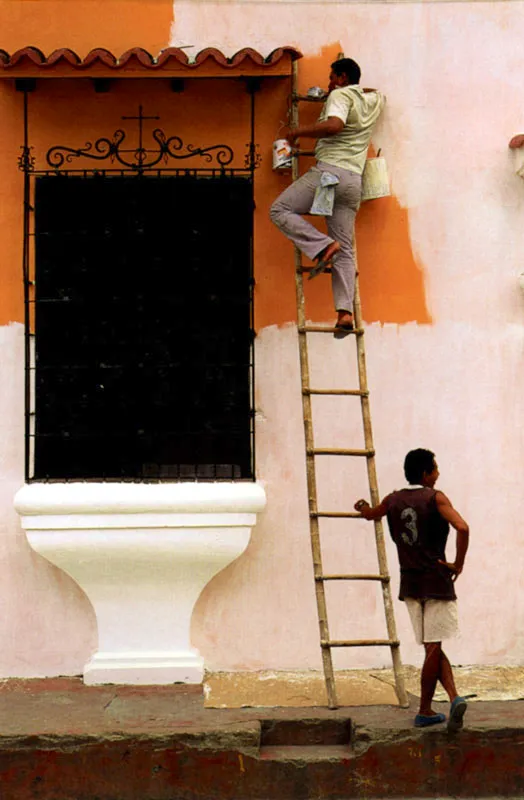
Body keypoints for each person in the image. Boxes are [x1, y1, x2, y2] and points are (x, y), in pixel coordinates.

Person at [354, 448, 470, 731]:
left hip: (410, 583)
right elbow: (462, 528)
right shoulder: (435, 498)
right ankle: (425, 710)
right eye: (435, 468)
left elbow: (372, 514)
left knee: (432, 645)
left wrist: (362, 509)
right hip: (436, 580)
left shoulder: (393, 499)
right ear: (425, 474)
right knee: (433, 647)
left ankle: (453, 698)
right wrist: (457, 564)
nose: (438, 473)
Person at [270, 58, 385, 337]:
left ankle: (321, 247)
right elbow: (368, 91)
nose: (329, 83)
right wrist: (342, 91)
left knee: (279, 209)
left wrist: (298, 132)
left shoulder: (340, 94)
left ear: (343, 77)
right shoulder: (374, 100)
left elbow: (334, 125)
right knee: (345, 250)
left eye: (333, 77)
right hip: (352, 182)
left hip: (329, 174)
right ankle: (345, 313)